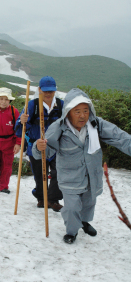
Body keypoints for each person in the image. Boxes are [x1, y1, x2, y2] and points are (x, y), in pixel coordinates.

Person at [32, 88, 131, 244]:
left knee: (89, 203)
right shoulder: (59, 128)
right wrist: (39, 147)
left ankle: (84, 222)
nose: (82, 115)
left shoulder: (96, 124)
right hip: (70, 177)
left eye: (85, 110)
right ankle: (71, 231)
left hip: (92, 175)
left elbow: (120, 137)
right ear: (68, 112)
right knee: (71, 208)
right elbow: (45, 150)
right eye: (77, 111)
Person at [15, 76, 64, 211]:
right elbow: (19, 129)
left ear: (55, 90)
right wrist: (22, 121)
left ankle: (53, 200)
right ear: (39, 89)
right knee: (39, 174)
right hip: (35, 147)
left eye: (51, 91)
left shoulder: (61, 105)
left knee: (58, 173)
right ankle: (42, 198)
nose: (48, 94)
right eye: (45, 91)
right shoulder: (32, 105)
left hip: (56, 148)